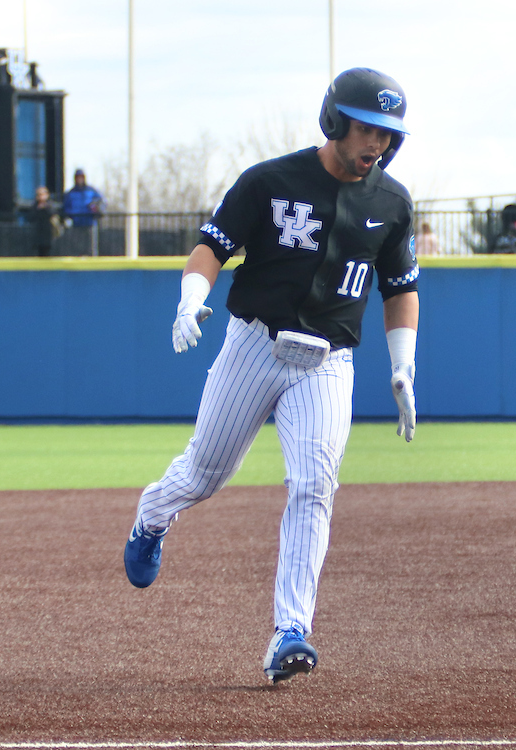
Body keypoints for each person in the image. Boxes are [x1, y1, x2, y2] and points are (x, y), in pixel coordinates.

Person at [122, 68, 420, 683]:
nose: (376, 145)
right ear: (334, 121)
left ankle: (291, 630)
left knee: (315, 485)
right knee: (205, 475)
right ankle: (152, 516)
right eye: (366, 129)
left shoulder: (391, 202)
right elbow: (212, 246)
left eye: (387, 134)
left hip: (329, 362)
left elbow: (402, 287)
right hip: (254, 345)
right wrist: (189, 296)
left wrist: (402, 363)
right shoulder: (270, 180)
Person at [28, 186, 59, 257]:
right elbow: (30, 217)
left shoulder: (50, 204)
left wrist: (45, 207)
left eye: (42, 194)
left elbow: (53, 214)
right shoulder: (35, 206)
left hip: (49, 234)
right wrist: (38, 208)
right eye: (39, 195)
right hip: (38, 234)